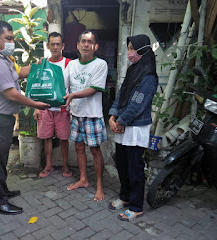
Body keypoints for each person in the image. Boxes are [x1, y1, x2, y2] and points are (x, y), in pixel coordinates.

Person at [0, 20, 50, 215]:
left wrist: (35, 66)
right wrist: (36, 104)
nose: (11, 43)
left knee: (1, 158)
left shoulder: (3, 57)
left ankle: (2, 191)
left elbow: (18, 74)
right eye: (8, 39)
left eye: (13, 39)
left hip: (0, 118)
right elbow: (11, 94)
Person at [108, 34, 158, 221]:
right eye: (128, 48)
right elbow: (121, 94)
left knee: (135, 168)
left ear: (142, 50)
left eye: (131, 48)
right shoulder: (132, 71)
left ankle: (137, 206)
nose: (129, 52)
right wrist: (113, 116)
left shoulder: (148, 76)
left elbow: (137, 104)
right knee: (122, 164)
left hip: (135, 128)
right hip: (123, 125)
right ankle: (126, 197)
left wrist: (120, 121)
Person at [62, 30, 108, 201]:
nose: (86, 45)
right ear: (78, 45)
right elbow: (63, 85)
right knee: (79, 147)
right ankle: (83, 179)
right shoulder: (71, 65)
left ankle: (99, 186)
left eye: (90, 42)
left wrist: (72, 95)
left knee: (95, 150)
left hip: (92, 114)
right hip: (76, 113)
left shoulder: (100, 64)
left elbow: (94, 88)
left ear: (95, 46)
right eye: (83, 41)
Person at [33, 32, 72, 178]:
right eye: (52, 44)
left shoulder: (69, 63)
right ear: (48, 46)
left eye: (58, 44)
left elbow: (72, 87)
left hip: (63, 108)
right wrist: (37, 107)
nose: (55, 47)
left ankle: (65, 165)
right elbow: (38, 86)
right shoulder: (43, 63)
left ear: (63, 46)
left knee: (64, 138)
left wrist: (72, 106)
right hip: (46, 107)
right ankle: (48, 165)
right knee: (47, 137)